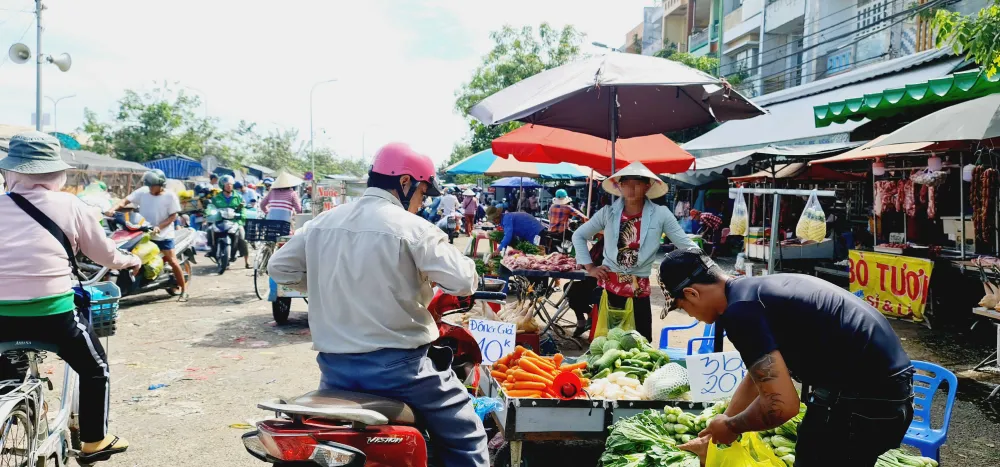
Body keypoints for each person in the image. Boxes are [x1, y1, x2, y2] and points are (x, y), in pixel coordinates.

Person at [267, 142, 488, 467]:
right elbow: (464, 281)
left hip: (335, 372)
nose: (421, 203)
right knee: (467, 434)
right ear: (405, 182)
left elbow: (279, 268)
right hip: (401, 372)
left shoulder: (321, 223)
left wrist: (321, 286)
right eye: (422, 193)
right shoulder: (413, 229)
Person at [658, 249, 914, 466]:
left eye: (682, 307)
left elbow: (781, 407)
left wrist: (732, 427)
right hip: (889, 397)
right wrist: (713, 436)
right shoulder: (752, 293)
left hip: (860, 405)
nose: (690, 315)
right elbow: (758, 377)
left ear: (692, 293)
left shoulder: (740, 312)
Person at [0, 131, 141, 463]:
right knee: (96, 370)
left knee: (4, 374)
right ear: (57, 173)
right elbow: (106, 256)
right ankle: (94, 441)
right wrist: (131, 260)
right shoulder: (69, 204)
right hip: (53, 315)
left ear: (12, 171)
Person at [572, 162, 698, 342]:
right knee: (606, 343)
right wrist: (591, 268)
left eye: (637, 182)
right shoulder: (608, 213)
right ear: (619, 186)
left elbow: (686, 245)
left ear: (647, 185)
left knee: (641, 343)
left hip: (638, 290)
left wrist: (713, 270)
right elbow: (579, 235)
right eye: (625, 183)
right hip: (608, 287)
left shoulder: (661, 214)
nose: (631, 187)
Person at [107, 169, 189, 302]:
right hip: (143, 232)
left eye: (153, 185)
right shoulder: (143, 192)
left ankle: (184, 290)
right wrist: (112, 209)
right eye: (149, 185)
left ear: (161, 184)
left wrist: (159, 227)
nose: (150, 188)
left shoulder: (170, 196)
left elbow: (174, 215)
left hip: (163, 235)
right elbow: (125, 201)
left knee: (172, 260)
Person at [208, 175, 250, 269]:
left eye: (231, 185)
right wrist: (209, 213)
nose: (229, 186)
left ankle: (247, 261)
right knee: (209, 230)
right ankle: (212, 250)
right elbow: (211, 207)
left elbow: (243, 209)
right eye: (227, 185)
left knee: (242, 238)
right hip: (220, 221)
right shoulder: (216, 198)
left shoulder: (238, 197)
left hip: (235, 221)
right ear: (222, 186)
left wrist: (242, 217)